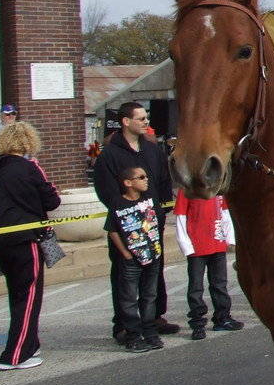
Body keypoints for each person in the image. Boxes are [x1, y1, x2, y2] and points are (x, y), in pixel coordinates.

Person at [93, 102, 177, 342]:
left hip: (152, 225)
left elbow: (162, 180)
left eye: (146, 117)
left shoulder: (152, 150)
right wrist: (123, 214)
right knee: (124, 275)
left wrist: (162, 209)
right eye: (140, 118)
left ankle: (154, 317)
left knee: (154, 271)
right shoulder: (110, 154)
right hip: (126, 228)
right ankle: (123, 324)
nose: (146, 122)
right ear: (125, 122)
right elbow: (105, 189)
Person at [0, 122, 60, 370]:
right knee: (30, 295)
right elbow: (52, 201)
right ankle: (16, 354)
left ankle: (30, 344)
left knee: (17, 295)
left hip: (0, 239)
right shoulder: (30, 168)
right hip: (27, 238)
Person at [173, 190, 244, 340]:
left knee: (220, 284)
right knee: (196, 287)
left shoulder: (216, 188)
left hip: (217, 243)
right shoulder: (187, 189)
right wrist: (186, 246)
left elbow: (224, 212)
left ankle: (222, 317)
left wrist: (229, 238)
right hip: (197, 246)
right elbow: (180, 217)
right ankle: (198, 323)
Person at [108, 165, 163, 353]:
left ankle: (150, 333)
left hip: (152, 255)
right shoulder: (118, 203)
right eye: (141, 177)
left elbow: (157, 222)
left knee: (149, 296)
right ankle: (133, 336)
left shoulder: (149, 199)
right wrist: (124, 252)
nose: (146, 179)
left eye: (146, 176)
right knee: (129, 299)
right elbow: (112, 229)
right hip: (132, 259)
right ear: (128, 183)